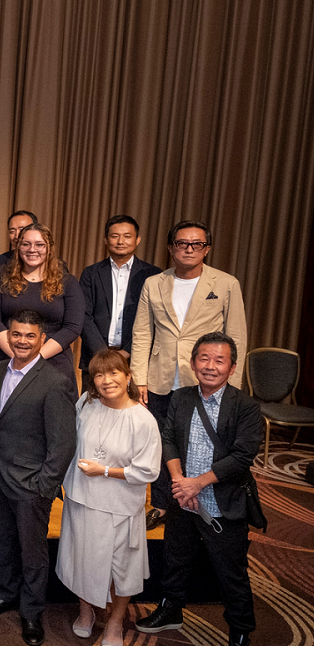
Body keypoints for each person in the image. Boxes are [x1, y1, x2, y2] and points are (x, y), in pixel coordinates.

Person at [136, 332, 262, 646]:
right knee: (176, 559)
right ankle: (170, 608)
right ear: (193, 363)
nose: (210, 366)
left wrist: (197, 483)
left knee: (230, 574)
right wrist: (179, 482)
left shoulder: (246, 407)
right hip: (182, 499)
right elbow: (169, 438)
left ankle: (239, 636)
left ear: (232, 367)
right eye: (204, 359)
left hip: (222, 504)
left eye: (219, 360)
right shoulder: (181, 397)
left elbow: (242, 456)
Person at [131, 220, 248, 525]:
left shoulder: (225, 284)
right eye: (182, 243)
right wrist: (139, 378)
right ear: (171, 248)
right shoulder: (154, 283)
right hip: (160, 378)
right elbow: (142, 333)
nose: (189, 249)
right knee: (161, 443)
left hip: (206, 380)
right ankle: (160, 503)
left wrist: (230, 387)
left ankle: (201, 499)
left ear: (206, 249)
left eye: (196, 244)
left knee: (201, 443)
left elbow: (236, 335)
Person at [0, 310, 77, 646]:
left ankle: (32, 611)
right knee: (2, 542)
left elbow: (63, 442)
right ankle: (5, 595)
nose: (21, 341)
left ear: (42, 340)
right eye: (16, 334)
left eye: (29, 336)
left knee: (32, 551)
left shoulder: (56, 382)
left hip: (31, 484)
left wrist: (45, 487)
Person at [56, 348, 158, 646]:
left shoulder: (142, 420)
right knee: (81, 558)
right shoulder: (86, 404)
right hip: (82, 498)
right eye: (99, 374)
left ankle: (115, 621)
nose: (106, 380)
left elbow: (148, 470)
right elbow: (68, 442)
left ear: (128, 377)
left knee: (121, 566)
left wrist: (106, 471)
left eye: (114, 373)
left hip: (120, 504)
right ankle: (86, 611)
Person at [0, 223, 85, 393]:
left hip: (52, 360)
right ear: (18, 247)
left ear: (49, 248)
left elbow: (72, 327)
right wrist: (17, 355)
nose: (32, 249)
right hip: (6, 356)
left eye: (39, 245)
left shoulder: (67, 282)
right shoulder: (1, 277)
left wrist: (34, 359)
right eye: (26, 244)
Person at [78, 215, 161, 372]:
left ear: (138, 240)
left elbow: (155, 319)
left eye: (127, 236)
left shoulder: (153, 275)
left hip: (136, 359)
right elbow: (83, 315)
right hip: (95, 358)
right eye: (114, 236)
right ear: (105, 240)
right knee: (92, 397)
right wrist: (103, 354)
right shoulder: (91, 273)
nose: (120, 241)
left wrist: (126, 352)